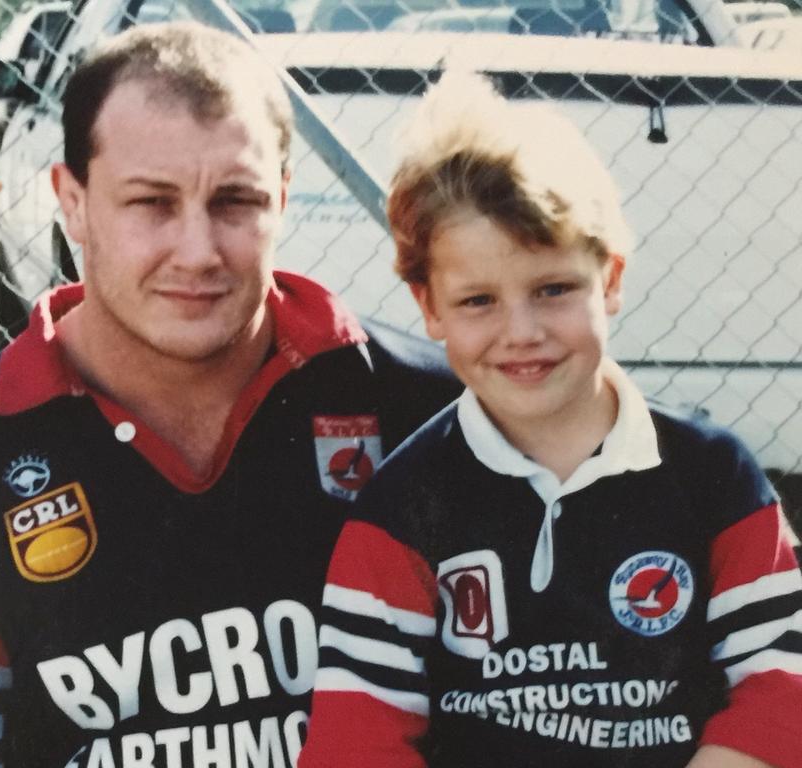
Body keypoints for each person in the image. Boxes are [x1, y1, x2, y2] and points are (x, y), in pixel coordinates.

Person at [0, 22, 459, 768]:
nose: (197, 250)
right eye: (152, 203)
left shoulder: (428, 415)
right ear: (74, 202)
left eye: (235, 202)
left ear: (282, 201)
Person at [298, 70, 802, 768]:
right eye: (478, 301)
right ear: (429, 306)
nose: (522, 331)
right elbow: (356, 743)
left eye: (554, 289)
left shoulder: (712, 475)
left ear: (612, 279)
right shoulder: (401, 506)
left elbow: (782, 685)